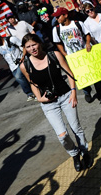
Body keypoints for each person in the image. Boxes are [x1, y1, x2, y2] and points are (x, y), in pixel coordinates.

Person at [20, 34, 91, 171]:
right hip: (48, 104)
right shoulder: (25, 65)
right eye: (28, 47)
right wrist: (40, 98)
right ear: (24, 49)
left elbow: (70, 73)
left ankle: (84, 152)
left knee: (76, 128)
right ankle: (74, 154)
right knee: (62, 135)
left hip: (66, 96)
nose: (32, 48)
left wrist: (73, 93)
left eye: (34, 44)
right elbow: (32, 83)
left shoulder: (54, 55)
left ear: (39, 43)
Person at [51, 7, 101, 107]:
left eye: (58, 16)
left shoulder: (78, 23)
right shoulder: (56, 29)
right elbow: (58, 43)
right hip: (73, 57)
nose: (57, 19)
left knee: (95, 75)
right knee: (81, 76)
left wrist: (87, 43)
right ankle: (87, 91)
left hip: (85, 53)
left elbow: (87, 34)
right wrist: (65, 54)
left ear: (65, 15)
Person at [0, 29, 35, 102]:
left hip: (21, 61)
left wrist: (23, 55)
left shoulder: (11, 39)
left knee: (19, 77)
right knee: (23, 79)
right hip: (12, 67)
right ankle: (33, 91)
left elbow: (23, 46)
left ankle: (30, 93)